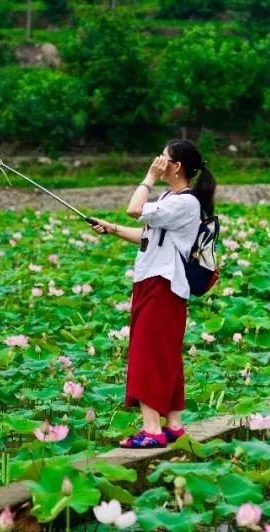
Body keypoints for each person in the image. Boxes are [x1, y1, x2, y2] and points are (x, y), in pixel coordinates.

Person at [89, 139, 216, 449]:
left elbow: (134, 209)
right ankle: (173, 425)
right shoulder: (170, 198)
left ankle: (152, 430)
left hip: (163, 285)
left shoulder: (185, 203)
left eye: (163, 158)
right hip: (153, 281)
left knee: (148, 354)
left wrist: (148, 177)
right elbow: (148, 236)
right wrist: (112, 228)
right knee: (165, 354)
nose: (158, 161)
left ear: (177, 167)